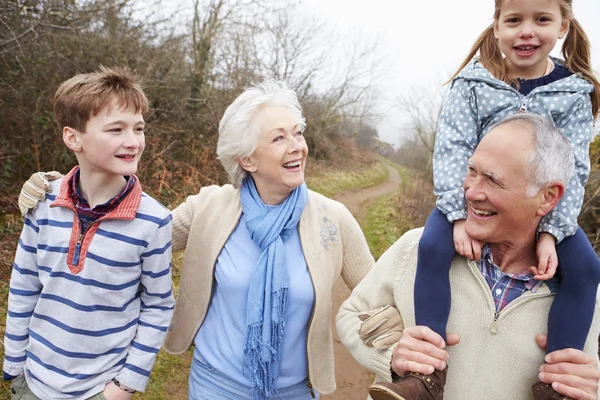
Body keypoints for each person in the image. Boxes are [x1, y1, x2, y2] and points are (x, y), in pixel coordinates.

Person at [17, 80, 376, 400]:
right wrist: (57, 191)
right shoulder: (210, 207)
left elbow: (378, 300)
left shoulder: (333, 220)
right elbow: (124, 233)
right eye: (279, 137)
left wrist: (407, 357)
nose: (296, 146)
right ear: (247, 158)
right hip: (212, 385)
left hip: (295, 391)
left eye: (298, 134)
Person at [403, 0, 600, 398]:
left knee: (585, 269)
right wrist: (459, 216)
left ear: (563, 26)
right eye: (514, 20)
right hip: (468, 200)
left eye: (541, 19)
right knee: (432, 245)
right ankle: (426, 372)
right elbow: (454, 149)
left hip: (546, 209)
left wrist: (552, 231)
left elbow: (574, 166)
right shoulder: (474, 83)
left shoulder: (574, 92)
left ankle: (558, 385)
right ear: (497, 28)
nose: (526, 31)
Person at [337, 113, 600, 400]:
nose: (471, 191)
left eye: (493, 180)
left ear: (548, 197)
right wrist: (392, 356)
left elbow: (580, 380)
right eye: (472, 171)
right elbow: (349, 316)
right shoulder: (416, 247)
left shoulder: (582, 296)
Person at [3, 68, 175, 400]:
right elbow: (25, 284)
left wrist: (125, 386)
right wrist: (14, 364)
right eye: (116, 129)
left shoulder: (154, 221)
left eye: (138, 128)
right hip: (32, 381)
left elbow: (157, 305)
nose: (133, 141)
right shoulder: (42, 201)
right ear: (73, 138)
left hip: (99, 390)